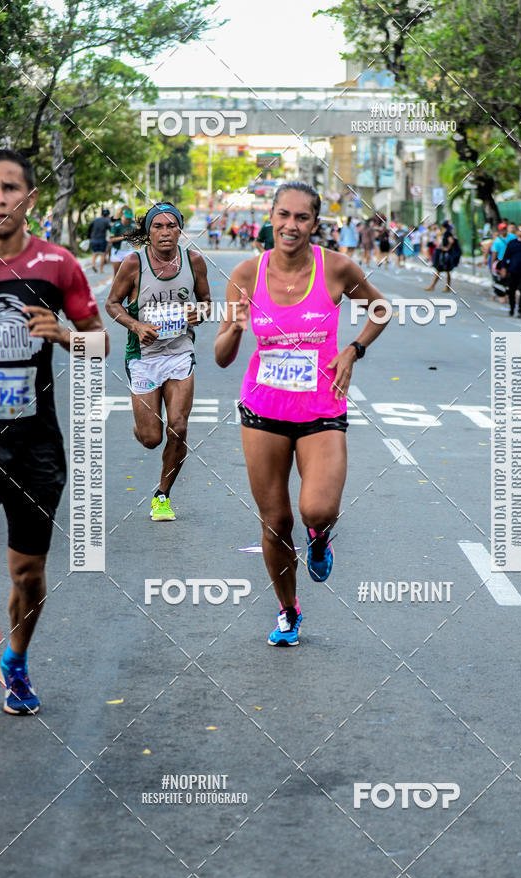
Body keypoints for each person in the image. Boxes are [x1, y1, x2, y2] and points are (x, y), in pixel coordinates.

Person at [214, 181, 390, 647]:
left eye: (302, 218)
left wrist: (353, 350)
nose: (291, 226)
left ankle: (319, 538)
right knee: (275, 522)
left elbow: (380, 309)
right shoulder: (246, 274)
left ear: (315, 224)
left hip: (320, 408)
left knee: (318, 508)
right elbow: (222, 356)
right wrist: (233, 330)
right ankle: (288, 612)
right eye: (283, 215)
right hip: (263, 409)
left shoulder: (336, 268)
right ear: (270, 217)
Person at [0, 149, 108, 715]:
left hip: (32, 444)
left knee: (28, 572)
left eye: (9, 187)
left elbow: (101, 343)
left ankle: (15, 659)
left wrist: (65, 335)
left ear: (30, 199)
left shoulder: (57, 264)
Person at [105, 202, 212, 521]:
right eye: (158, 227)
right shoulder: (133, 264)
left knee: (178, 427)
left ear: (180, 229)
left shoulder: (194, 262)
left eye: (171, 226)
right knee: (152, 438)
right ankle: (142, 427)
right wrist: (136, 326)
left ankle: (162, 495)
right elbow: (112, 303)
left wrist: (200, 313)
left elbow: (206, 303)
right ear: (148, 232)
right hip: (144, 357)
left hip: (179, 354)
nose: (165, 232)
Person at [425, 223, 460, 292]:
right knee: (444, 271)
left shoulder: (447, 233)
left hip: (445, 255)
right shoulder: (447, 233)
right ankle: (443, 287)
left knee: (442, 270)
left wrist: (446, 248)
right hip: (444, 254)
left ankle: (435, 286)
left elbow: (451, 241)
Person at [108, 206, 134, 276]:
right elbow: (110, 240)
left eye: (129, 218)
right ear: (122, 216)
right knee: (116, 274)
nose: (128, 220)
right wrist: (123, 237)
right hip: (118, 251)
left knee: (130, 274)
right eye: (127, 218)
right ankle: (114, 286)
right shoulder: (117, 225)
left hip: (129, 251)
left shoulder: (133, 224)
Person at [490, 222, 511, 304]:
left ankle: (506, 294)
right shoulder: (497, 241)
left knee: (509, 279)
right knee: (501, 279)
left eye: (505, 229)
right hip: (501, 262)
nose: (504, 231)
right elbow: (494, 253)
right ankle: (501, 295)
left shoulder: (512, 237)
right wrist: (492, 265)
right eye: (502, 229)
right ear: (500, 230)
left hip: (511, 261)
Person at [88, 207, 111, 273]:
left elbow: (89, 228)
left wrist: (89, 236)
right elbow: (110, 229)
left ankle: (93, 264)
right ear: (108, 215)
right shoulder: (107, 221)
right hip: (102, 239)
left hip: (93, 239)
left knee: (94, 253)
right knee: (102, 254)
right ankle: (101, 269)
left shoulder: (95, 220)